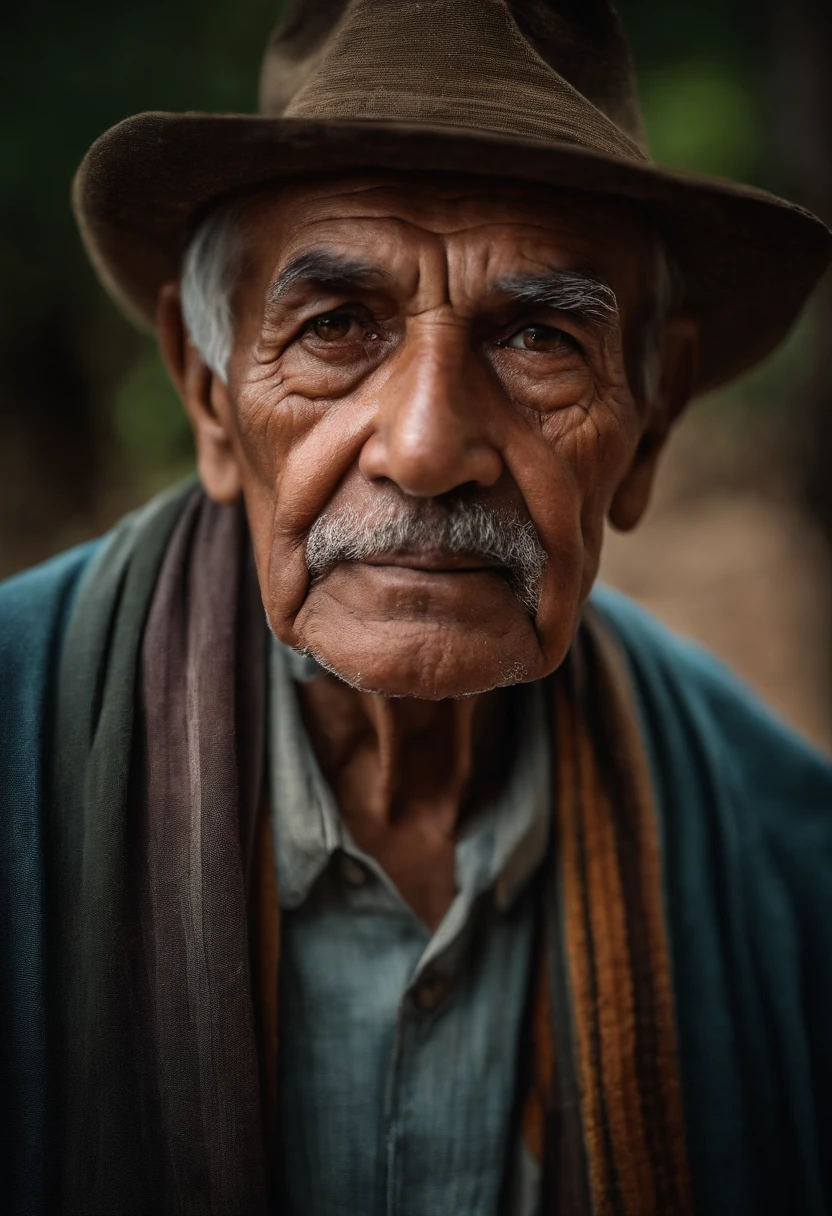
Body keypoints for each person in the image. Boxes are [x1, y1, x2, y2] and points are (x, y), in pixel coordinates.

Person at [2, 2, 831, 1213]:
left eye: (541, 337)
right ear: (205, 391)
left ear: (650, 423)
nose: (430, 444)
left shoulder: (789, 867)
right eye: (338, 327)